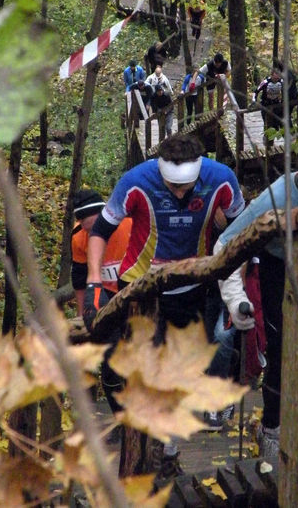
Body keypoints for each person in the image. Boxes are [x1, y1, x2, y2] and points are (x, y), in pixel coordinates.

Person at [84, 135, 245, 481]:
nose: (179, 194)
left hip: (194, 283)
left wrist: (236, 287)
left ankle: (167, 448)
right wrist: (94, 284)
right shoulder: (135, 181)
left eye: (186, 188)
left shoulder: (221, 178)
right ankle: (142, 452)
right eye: (172, 186)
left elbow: (241, 229)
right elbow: (100, 230)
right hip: (141, 286)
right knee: (132, 368)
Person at [214, 142, 298, 458]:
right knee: (282, 345)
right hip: (278, 266)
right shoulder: (277, 196)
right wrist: (234, 297)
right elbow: (225, 243)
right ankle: (272, 426)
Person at [71, 189, 132, 316]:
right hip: (104, 293)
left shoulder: (130, 223)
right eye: (89, 232)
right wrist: (81, 314)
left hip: (135, 290)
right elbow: (79, 278)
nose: (95, 236)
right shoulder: (78, 237)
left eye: (97, 228)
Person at [254, 66, 285, 133]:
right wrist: (254, 101)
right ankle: (266, 137)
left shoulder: (282, 82)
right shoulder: (265, 82)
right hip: (266, 104)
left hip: (276, 104)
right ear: (272, 74)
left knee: (276, 123)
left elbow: (286, 91)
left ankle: (274, 135)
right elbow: (256, 91)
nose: (277, 76)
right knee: (266, 122)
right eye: (276, 74)